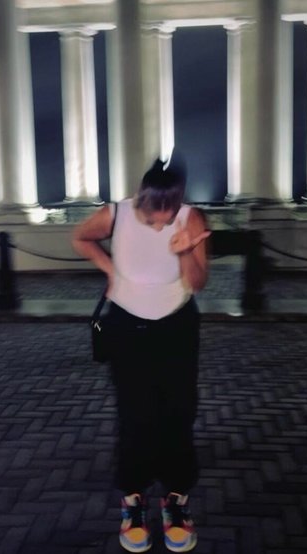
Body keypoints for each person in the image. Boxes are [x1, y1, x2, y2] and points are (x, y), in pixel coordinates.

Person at [72, 156, 211, 553]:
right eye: (153, 217)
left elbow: (198, 283)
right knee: (135, 413)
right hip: (127, 328)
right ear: (142, 200)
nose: (161, 225)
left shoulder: (190, 218)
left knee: (179, 411)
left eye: (168, 216)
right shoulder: (115, 214)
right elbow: (80, 238)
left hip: (176, 328)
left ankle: (176, 500)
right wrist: (109, 268)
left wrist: (184, 253)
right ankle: (133, 499)